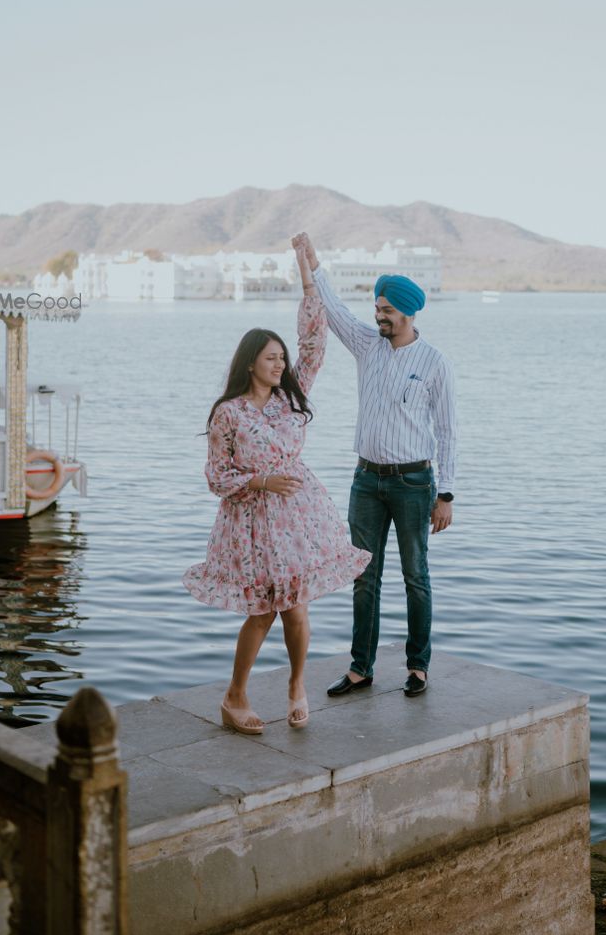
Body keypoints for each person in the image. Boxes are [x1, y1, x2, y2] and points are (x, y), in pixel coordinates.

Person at [182, 241, 372, 734]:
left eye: (281, 357)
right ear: (250, 362)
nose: (279, 362)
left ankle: (296, 686)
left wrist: (307, 276)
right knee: (264, 612)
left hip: (298, 516)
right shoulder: (228, 413)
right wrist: (261, 479)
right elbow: (216, 479)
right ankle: (235, 695)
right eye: (270, 357)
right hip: (252, 518)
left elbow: (314, 341)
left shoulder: (291, 396)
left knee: (297, 610)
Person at [292, 233, 456, 698]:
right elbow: (335, 310)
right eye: (378, 308)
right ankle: (361, 668)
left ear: (407, 313)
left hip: (413, 483)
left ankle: (418, 667)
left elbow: (448, 433)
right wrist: (313, 262)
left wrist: (446, 494)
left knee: (415, 576)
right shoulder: (368, 345)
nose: (378, 316)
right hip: (366, 481)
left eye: (386, 310)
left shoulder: (434, 363)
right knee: (362, 577)